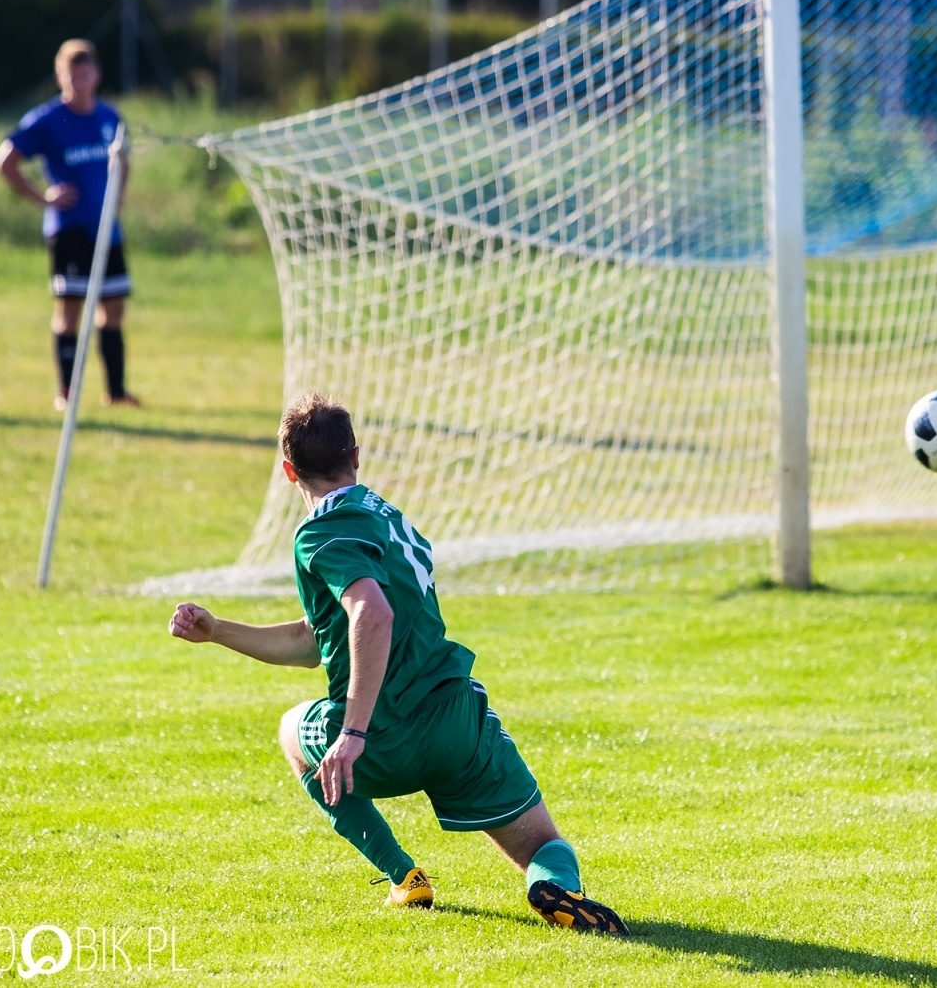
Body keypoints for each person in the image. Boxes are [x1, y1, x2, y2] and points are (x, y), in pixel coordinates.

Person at [167, 393, 626, 932]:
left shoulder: (321, 531)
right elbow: (315, 641)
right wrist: (219, 631)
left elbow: (372, 612)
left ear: (289, 472)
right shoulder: (391, 519)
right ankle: (555, 887)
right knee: (543, 843)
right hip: (457, 721)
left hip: (380, 738)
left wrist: (353, 732)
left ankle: (405, 877)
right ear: (356, 457)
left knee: (292, 729)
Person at [0, 39, 139, 411]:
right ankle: (67, 393)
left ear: (97, 75)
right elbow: (4, 162)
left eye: (85, 74)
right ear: (60, 77)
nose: (79, 81)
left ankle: (116, 392)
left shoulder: (109, 117)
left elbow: (124, 161)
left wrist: (117, 200)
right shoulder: (47, 120)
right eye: (72, 75)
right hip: (69, 229)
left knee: (114, 307)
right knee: (70, 309)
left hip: (106, 230)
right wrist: (42, 198)